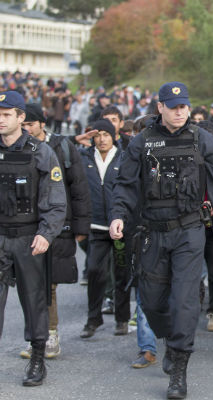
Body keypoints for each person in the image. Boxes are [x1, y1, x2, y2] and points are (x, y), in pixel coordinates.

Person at [109, 82, 213, 399]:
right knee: (152, 304)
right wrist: (118, 215)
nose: (180, 111)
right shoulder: (141, 142)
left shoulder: (201, 139)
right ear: (160, 108)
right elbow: (125, 184)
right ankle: (170, 339)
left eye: (183, 106)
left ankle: (179, 368)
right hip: (152, 232)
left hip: (190, 230)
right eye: (173, 106)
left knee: (184, 300)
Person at [0, 91, 67, 386]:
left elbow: (55, 201)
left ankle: (38, 359)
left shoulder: (40, 151)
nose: (0, 120)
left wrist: (46, 234)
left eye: (6, 115)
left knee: (34, 301)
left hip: (29, 237)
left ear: (20, 118)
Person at [20, 103, 91, 359]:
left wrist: (81, 226)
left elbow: (79, 187)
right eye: (23, 124)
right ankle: (35, 335)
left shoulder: (62, 147)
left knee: (48, 283)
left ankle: (49, 334)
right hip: (24, 225)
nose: (25, 128)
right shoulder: (16, 147)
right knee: (29, 284)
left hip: (57, 224)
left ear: (41, 124)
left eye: (30, 124)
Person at [79, 119, 131, 338]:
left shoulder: (124, 157)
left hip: (119, 226)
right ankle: (93, 318)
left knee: (122, 273)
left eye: (106, 135)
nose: (102, 139)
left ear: (114, 137)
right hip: (96, 225)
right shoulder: (84, 157)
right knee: (94, 271)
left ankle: (122, 319)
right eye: (98, 135)